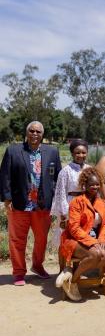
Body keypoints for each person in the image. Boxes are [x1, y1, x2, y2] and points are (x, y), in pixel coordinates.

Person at [0, 121, 61, 286]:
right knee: (17, 240)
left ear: (43, 134)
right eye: (32, 131)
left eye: (38, 132)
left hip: (42, 205)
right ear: (26, 133)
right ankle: (19, 273)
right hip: (20, 203)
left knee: (41, 239)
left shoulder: (52, 152)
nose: (35, 134)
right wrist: (7, 199)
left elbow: (57, 178)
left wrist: (56, 201)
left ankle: (37, 265)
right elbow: (5, 176)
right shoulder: (13, 151)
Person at [59, 167, 105, 301]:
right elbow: (73, 228)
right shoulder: (77, 202)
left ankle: (71, 275)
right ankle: (73, 282)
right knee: (95, 254)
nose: (95, 187)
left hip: (97, 238)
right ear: (85, 185)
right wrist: (92, 242)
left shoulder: (102, 203)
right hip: (75, 239)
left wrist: (101, 240)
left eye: (97, 184)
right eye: (91, 184)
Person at [51, 140, 90, 252]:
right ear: (72, 154)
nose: (81, 155)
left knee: (83, 233)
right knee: (66, 233)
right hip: (70, 204)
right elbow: (61, 192)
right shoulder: (66, 171)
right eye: (77, 153)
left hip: (85, 204)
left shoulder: (89, 169)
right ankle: (65, 265)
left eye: (83, 152)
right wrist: (64, 212)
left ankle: (81, 263)